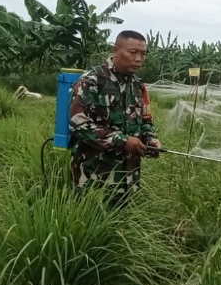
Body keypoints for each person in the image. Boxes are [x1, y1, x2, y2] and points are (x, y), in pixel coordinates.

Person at [68, 30, 161, 200]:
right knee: (92, 223)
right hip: (94, 177)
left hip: (128, 177)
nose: (139, 58)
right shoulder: (92, 81)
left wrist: (150, 139)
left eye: (143, 54)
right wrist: (122, 140)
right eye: (133, 52)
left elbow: (145, 120)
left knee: (123, 221)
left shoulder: (138, 86)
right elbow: (78, 123)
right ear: (115, 50)